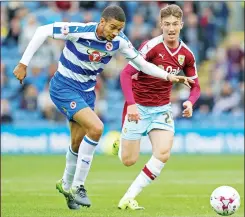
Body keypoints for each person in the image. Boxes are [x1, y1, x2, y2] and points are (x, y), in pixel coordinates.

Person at [13, 5, 193, 210]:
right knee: (97, 128)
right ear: (102, 22)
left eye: (120, 29)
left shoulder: (119, 41)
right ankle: (79, 187)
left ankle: (65, 184)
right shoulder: (80, 31)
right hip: (63, 87)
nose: (115, 33)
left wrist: (168, 76)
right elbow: (42, 30)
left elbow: (142, 65)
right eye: (113, 28)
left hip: (87, 93)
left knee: (76, 143)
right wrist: (23, 63)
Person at [113, 4, 201, 210]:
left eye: (175, 24)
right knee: (128, 160)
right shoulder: (151, 47)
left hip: (162, 109)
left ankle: (128, 197)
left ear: (182, 24)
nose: (171, 28)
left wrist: (190, 102)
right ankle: (120, 143)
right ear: (161, 24)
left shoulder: (187, 54)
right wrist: (132, 105)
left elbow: (195, 86)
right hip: (138, 107)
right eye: (167, 24)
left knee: (163, 153)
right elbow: (125, 74)